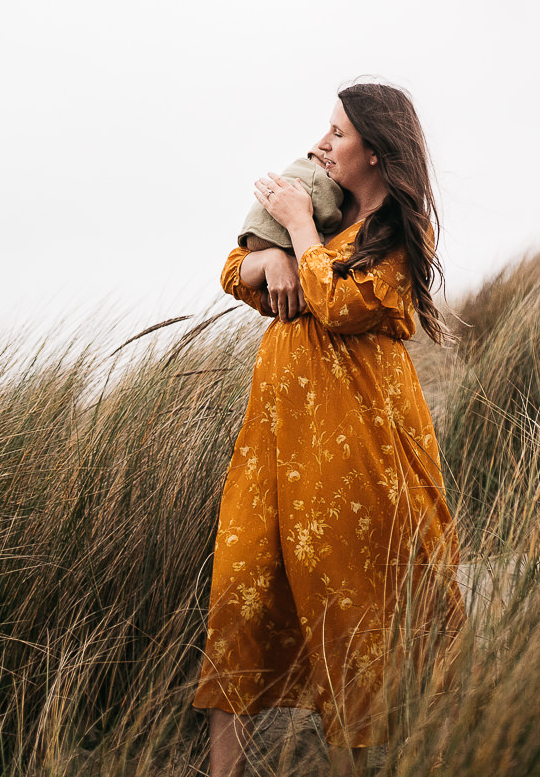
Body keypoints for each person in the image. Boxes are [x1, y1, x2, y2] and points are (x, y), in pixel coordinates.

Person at [193, 82, 464, 770]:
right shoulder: (318, 211)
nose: (324, 142)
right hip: (275, 443)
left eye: (339, 133)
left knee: (353, 609)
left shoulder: (400, 235)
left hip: (358, 451)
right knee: (240, 593)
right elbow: (233, 271)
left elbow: (339, 305)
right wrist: (271, 254)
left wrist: (302, 235)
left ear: (375, 151)